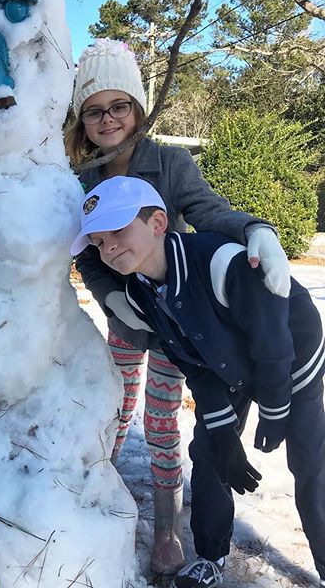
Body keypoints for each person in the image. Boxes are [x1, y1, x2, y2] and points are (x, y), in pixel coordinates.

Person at [65, 38, 292, 577]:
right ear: (82, 120)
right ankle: (105, 489)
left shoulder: (168, 162)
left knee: (162, 416)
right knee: (115, 404)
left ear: (137, 108)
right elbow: (91, 258)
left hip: (180, 321)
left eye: (119, 105)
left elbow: (208, 211)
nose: (108, 119)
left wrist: (254, 229)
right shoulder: (82, 182)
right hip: (128, 316)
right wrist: (114, 297)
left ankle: (167, 523)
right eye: (94, 110)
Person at [70, 175, 325, 588]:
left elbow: (272, 341)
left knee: (310, 462)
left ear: (157, 222)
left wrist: (276, 411)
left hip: (291, 360)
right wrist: (224, 430)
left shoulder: (222, 260)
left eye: (117, 230)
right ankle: (210, 554)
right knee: (209, 453)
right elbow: (193, 361)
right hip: (225, 365)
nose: (109, 247)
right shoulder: (141, 294)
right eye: (98, 242)